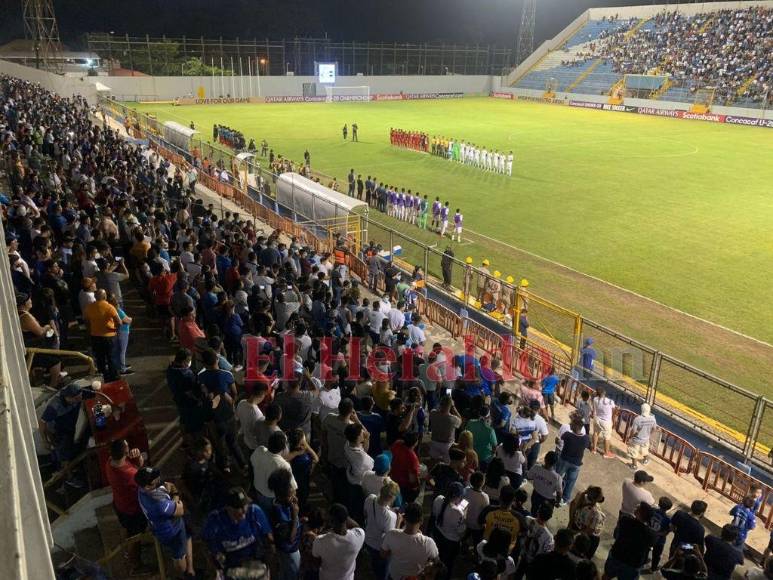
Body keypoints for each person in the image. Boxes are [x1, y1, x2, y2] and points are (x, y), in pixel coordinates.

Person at [136, 466, 195, 578]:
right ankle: (183, 574)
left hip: (170, 525)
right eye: (155, 480)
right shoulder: (158, 504)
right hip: (172, 531)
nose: (159, 479)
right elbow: (180, 509)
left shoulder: (141, 489)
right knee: (179, 555)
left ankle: (189, 569)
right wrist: (175, 493)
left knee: (186, 537)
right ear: (148, 486)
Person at [201, 487, 274, 572]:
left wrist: (269, 565)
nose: (244, 510)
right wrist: (214, 566)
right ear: (228, 507)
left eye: (245, 505)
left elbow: (270, 540)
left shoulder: (254, 512)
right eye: (239, 507)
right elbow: (205, 543)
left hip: (255, 562)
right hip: (230, 567)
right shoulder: (215, 521)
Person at [105, 439, 148, 574]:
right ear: (125, 451)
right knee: (135, 536)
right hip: (132, 511)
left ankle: (129, 550)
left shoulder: (110, 463)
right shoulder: (128, 474)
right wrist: (140, 459)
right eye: (127, 446)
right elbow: (143, 478)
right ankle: (135, 564)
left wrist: (133, 456)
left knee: (128, 531)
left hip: (120, 506)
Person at [381, 502, 439, 580]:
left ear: (404, 519)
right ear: (421, 521)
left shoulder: (391, 534)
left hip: (394, 576)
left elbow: (383, 554)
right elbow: (436, 562)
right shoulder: (429, 543)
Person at [604, 501, 658, 580]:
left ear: (639, 513)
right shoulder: (651, 535)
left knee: (606, 576)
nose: (635, 508)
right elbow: (650, 545)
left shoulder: (625, 520)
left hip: (617, 556)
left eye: (638, 508)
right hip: (632, 564)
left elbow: (616, 534)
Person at [312, 503, 365, 580]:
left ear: (331, 521)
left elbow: (316, 564)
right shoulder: (359, 536)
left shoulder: (320, 541)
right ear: (346, 519)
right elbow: (357, 527)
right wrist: (345, 516)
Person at [267, 468, 303, 580]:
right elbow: (291, 538)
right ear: (284, 494)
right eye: (290, 488)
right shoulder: (279, 514)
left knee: (285, 569)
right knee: (293, 572)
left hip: (287, 549)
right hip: (289, 551)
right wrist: (295, 515)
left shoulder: (283, 503)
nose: (293, 490)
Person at [251, 430, 297, 513]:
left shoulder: (259, 450)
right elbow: (293, 487)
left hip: (257, 490)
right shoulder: (283, 465)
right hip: (270, 498)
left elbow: (252, 462)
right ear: (284, 448)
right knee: (270, 515)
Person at [364, 480, 401, 580]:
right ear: (392, 497)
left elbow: (366, 514)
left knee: (374, 564)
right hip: (379, 547)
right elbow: (391, 536)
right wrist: (398, 521)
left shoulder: (370, 498)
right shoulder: (390, 516)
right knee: (383, 573)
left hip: (367, 539)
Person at [82, 288, 122, 380]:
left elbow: (86, 320)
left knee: (100, 358)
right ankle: (114, 376)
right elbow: (119, 322)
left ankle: (102, 376)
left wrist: (91, 329)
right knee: (111, 357)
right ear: (105, 296)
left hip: (95, 336)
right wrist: (115, 329)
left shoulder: (89, 307)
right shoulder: (109, 307)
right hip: (109, 336)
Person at [431, 482, 468, 580]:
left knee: (437, 559)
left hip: (437, 533)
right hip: (450, 542)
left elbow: (435, 514)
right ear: (458, 497)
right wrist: (464, 516)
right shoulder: (458, 512)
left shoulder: (438, 499)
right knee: (447, 565)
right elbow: (461, 532)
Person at [556, 417, 590, 505]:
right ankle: (565, 498)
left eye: (572, 423)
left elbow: (559, 441)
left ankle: (554, 492)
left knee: (557, 477)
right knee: (570, 482)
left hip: (564, 460)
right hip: (576, 464)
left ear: (576, 426)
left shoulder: (567, 434)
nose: (570, 424)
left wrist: (557, 441)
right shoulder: (586, 438)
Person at [526, 451, 563, 516]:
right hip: (548, 500)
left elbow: (528, 477)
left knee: (534, 511)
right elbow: (559, 493)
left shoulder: (536, 467)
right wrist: (558, 502)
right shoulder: (557, 478)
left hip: (536, 495)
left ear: (545, 458)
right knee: (544, 515)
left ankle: (532, 521)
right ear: (555, 463)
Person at [429, 395, 463, 462]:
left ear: (440, 404)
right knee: (447, 464)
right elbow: (460, 420)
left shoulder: (433, 413)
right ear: (450, 406)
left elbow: (435, 409)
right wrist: (453, 407)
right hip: (447, 446)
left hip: (434, 442)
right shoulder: (453, 419)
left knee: (433, 463)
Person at [628, 403, 657, 469]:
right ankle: (646, 459)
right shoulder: (653, 419)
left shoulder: (638, 419)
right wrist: (648, 434)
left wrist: (630, 437)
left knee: (633, 452)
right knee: (644, 450)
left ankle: (634, 465)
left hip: (637, 439)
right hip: (646, 439)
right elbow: (654, 428)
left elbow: (633, 431)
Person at [650, 496, 674, 573]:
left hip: (649, 534)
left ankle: (643, 560)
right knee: (656, 555)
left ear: (659, 504)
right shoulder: (667, 519)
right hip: (659, 540)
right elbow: (669, 530)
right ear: (668, 508)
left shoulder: (652, 511)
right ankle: (653, 568)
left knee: (646, 547)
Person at [591, 386, 616, 458]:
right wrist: (614, 421)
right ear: (604, 393)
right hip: (606, 421)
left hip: (597, 419)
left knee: (596, 433)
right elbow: (614, 411)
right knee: (607, 437)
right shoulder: (610, 401)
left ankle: (594, 449)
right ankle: (606, 453)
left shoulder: (595, 399)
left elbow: (594, 397)